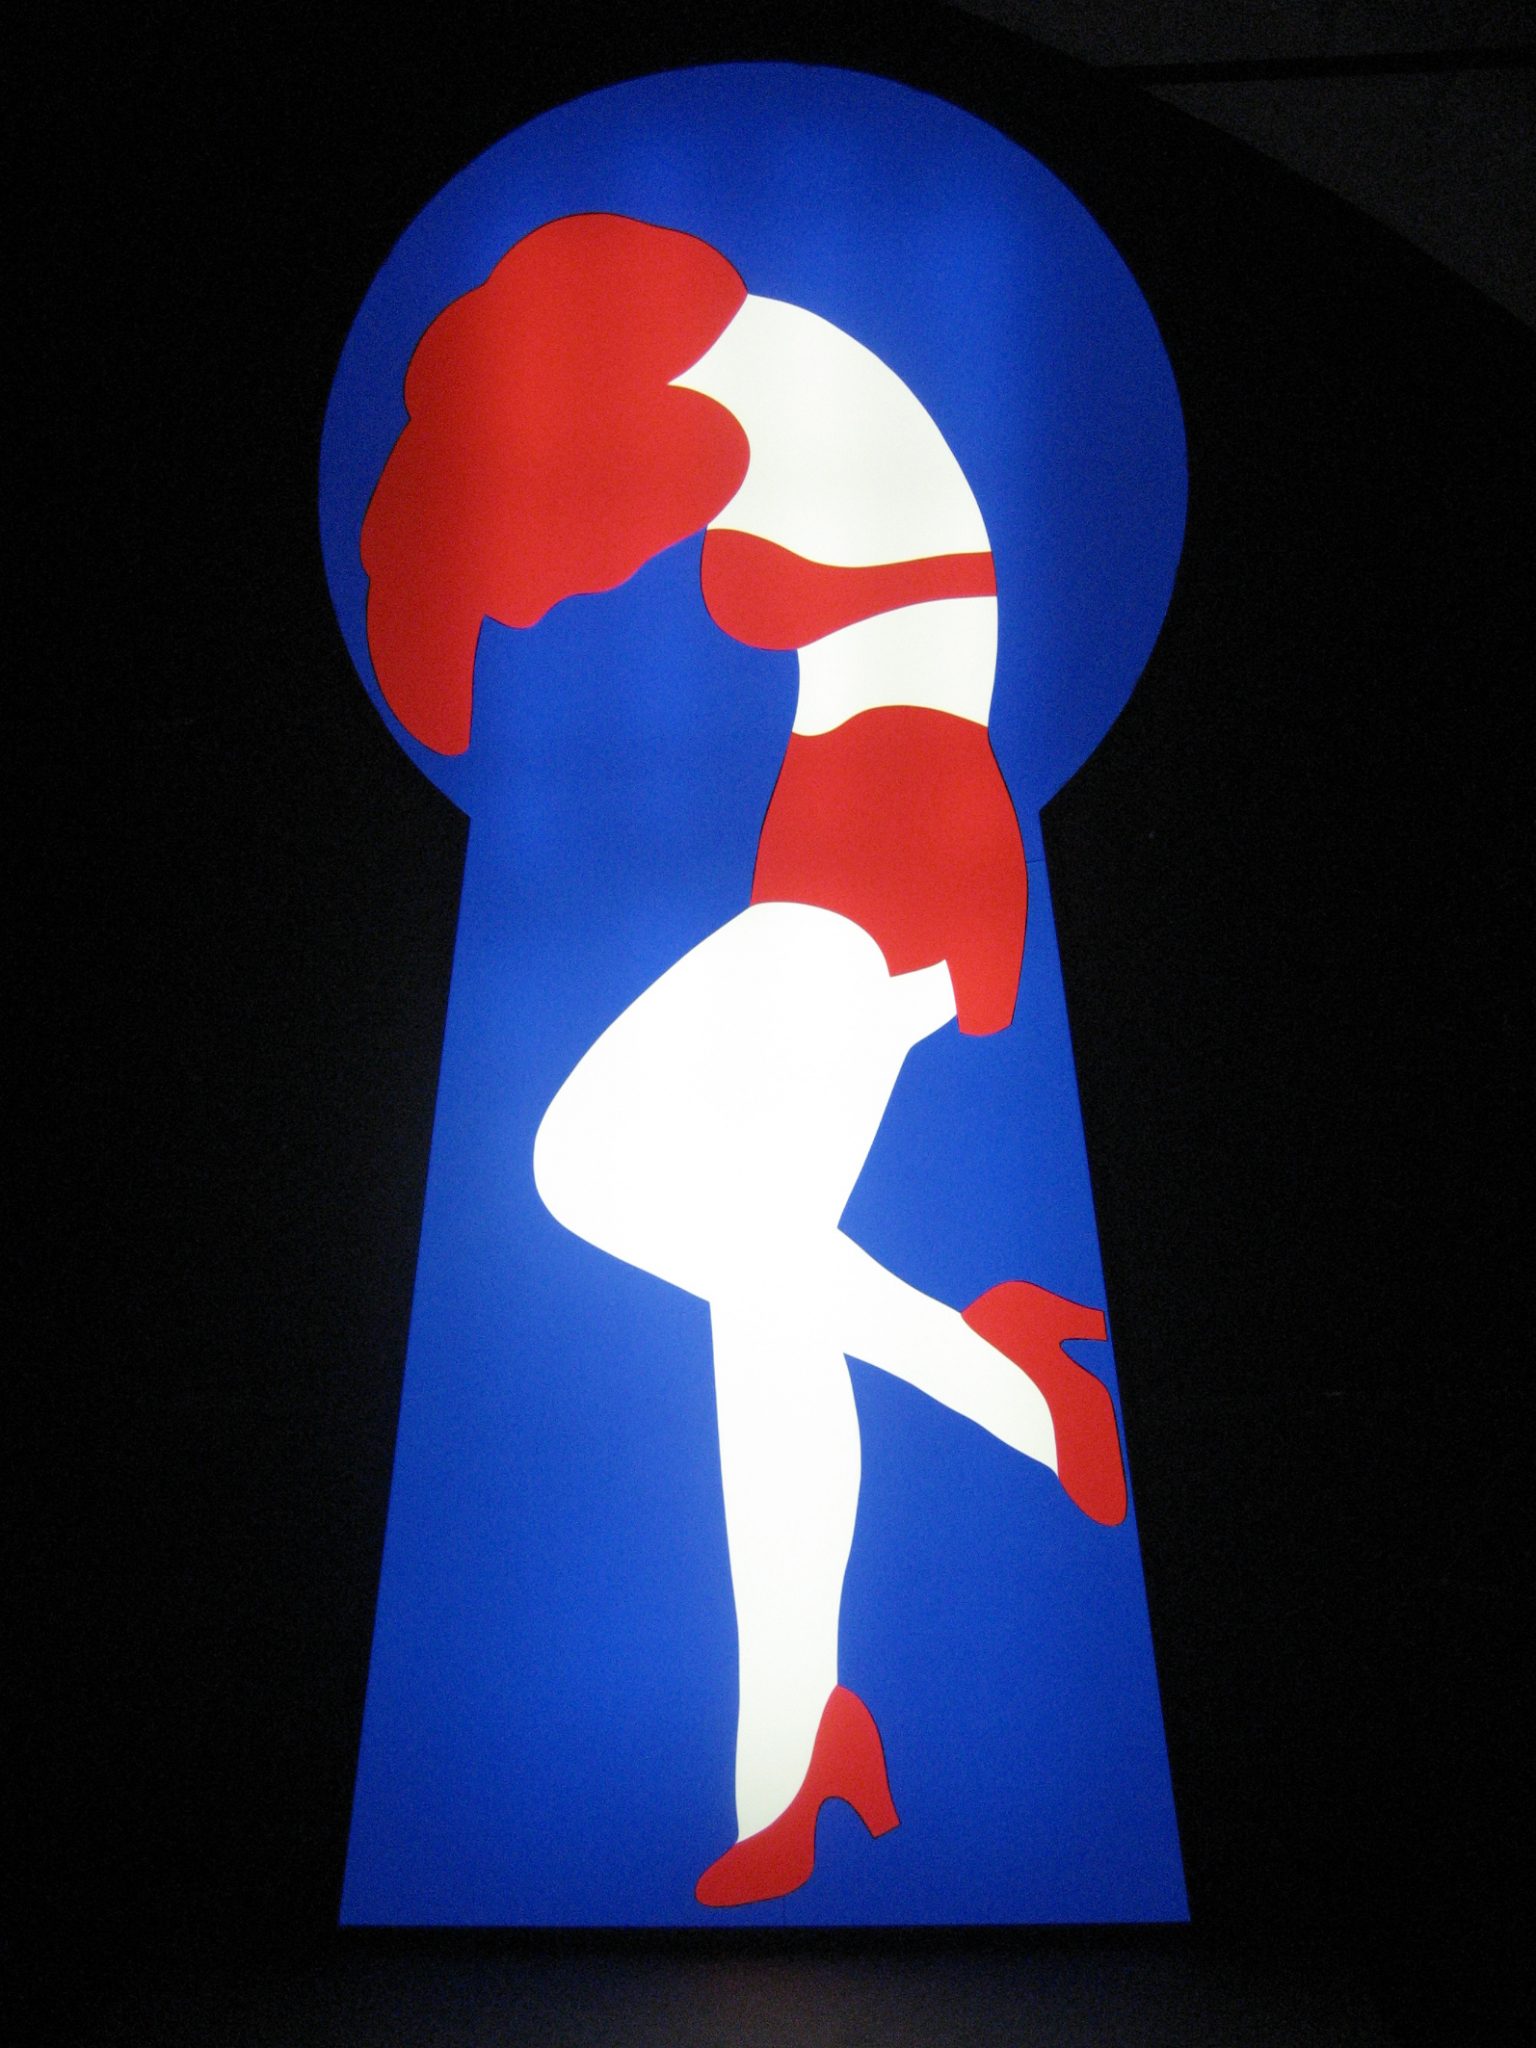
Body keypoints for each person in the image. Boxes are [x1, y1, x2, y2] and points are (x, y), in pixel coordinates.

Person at [361, 211, 1126, 1909]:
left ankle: (1008, 1381)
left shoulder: (748, 389)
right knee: (760, 1309)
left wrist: (464, 575)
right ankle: (797, 1753)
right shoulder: (773, 382)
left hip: (893, 831)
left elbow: (601, 510)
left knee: (583, 1166)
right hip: (849, 819)